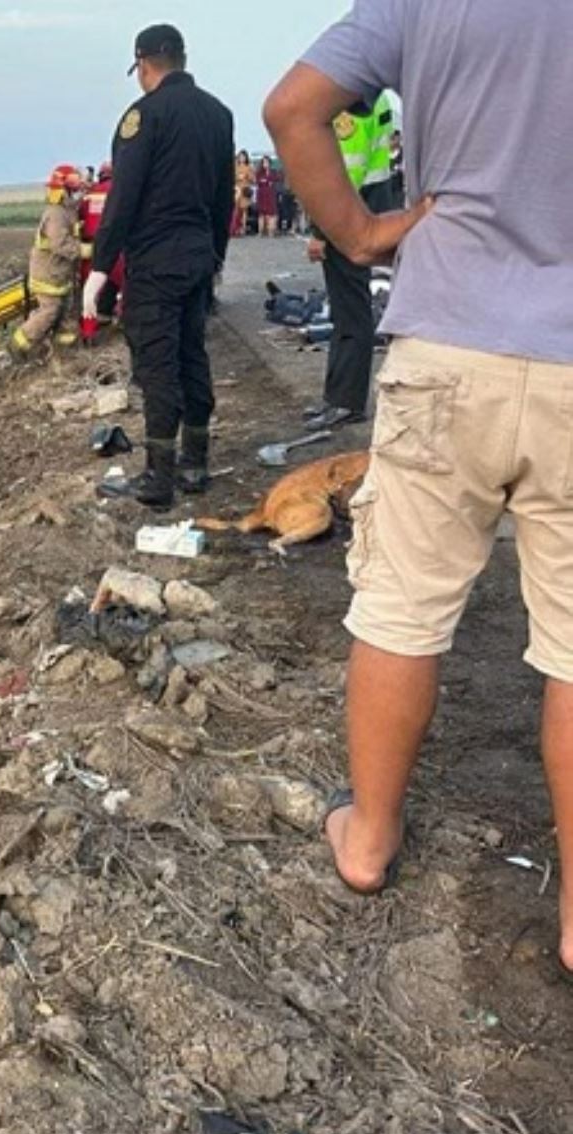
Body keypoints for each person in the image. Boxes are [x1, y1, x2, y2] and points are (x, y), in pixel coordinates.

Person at [266, 0, 573, 974]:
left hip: (446, 343)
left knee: (400, 607)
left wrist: (362, 232)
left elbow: (292, 109)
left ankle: (367, 837)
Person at [85, 24, 235, 508]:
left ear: (144, 65)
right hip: (197, 258)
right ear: (183, 59)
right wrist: (215, 259)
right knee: (193, 354)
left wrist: (101, 267)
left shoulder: (143, 117)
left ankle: (158, 477)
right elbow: (221, 199)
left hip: (156, 261)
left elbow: (122, 199)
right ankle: (196, 463)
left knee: (157, 364)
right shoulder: (218, 114)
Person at [304, 90, 399, 431]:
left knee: (350, 312)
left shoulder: (354, 102)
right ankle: (339, 397)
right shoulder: (379, 98)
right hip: (368, 210)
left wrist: (321, 230)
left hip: (349, 218)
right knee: (349, 309)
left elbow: (345, 171)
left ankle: (346, 401)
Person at [11, 164, 85, 359]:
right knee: (49, 313)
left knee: (66, 315)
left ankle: (64, 354)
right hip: (48, 275)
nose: (78, 194)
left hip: (60, 275)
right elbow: (60, 243)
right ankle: (18, 346)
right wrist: (86, 251)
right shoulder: (56, 214)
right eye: (75, 190)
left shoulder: (67, 211)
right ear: (65, 190)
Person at [77, 161, 122, 338]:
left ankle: (88, 332)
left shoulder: (90, 195)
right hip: (117, 247)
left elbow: (80, 215)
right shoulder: (120, 191)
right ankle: (124, 323)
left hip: (91, 248)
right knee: (127, 284)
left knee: (91, 292)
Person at [255, 155, 280, 235]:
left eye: (267, 162)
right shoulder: (259, 172)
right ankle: (261, 231)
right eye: (264, 162)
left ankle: (271, 230)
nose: (266, 164)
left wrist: (266, 181)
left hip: (270, 193)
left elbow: (275, 180)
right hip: (262, 193)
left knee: (271, 212)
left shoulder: (273, 172)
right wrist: (266, 181)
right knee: (262, 213)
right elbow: (259, 181)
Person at [233, 150, 253, 238]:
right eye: (240, 157)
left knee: (244, 210)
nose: (242, 158)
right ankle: (235, 228)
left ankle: (243, 228)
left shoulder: (249, 167)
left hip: (245, 190)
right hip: (236, 190)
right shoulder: (235, 167)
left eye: (243, 157)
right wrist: (237, 177)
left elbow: (253, 179)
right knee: (235, 210)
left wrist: (246, 176)